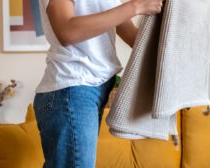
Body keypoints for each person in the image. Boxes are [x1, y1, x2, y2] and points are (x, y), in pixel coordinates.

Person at [33, 0, 163, 168]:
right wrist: (135, 6)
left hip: (93, 88)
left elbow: (135, 39)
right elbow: (67, 31)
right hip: (71, 89)